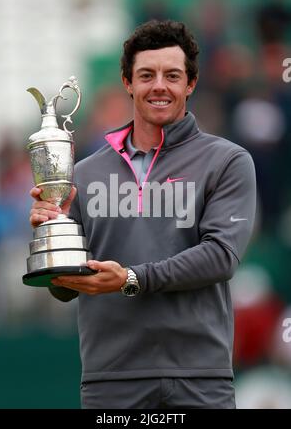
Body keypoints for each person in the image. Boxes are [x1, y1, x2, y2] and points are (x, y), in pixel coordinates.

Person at [29, 20, 256, 409]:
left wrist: (132, 279)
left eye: (172, 75)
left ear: (191, 84)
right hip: (110, 381)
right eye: (147, 75)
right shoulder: (82, 174)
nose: (159, 86)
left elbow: (221, 256)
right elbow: (64, 288)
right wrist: (52, 241)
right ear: (127, 82)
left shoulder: (228, 161)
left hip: (200, 378)